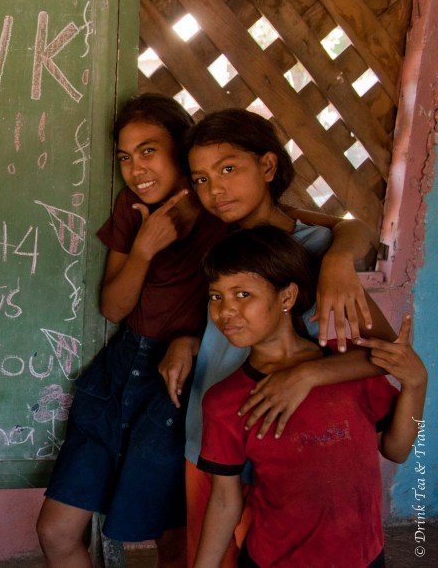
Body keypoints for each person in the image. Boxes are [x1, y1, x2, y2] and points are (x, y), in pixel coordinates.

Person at [170, 108, 392, 565]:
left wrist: (307, 375)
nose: (215, 190)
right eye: (202, 180)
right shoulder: (219, 243)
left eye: (228, 169)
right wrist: (187, 338)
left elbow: (386, 356)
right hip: (213, 435)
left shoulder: (315, 252)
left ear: (267, 167)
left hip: (285, 446)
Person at [37, 94, 227, 567]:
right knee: (55, 531)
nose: (135, 168)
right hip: (120, 372)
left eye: (149, 150)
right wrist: (143, 250)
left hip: (179, 385)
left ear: (181, 151)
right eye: (124, 156)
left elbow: (315, 228)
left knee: (172, 539)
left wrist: (191, 339)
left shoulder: (221, 213)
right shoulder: (132, 208)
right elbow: (113, 305)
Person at [194, 226, 426, 567]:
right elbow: (225, 501)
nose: (225, 311)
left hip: (365, 557)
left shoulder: (350, 371)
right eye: (217, 297)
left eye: (243, 294)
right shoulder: (226, 401)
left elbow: (398, 449)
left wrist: (417, 384)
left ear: (286, 298)